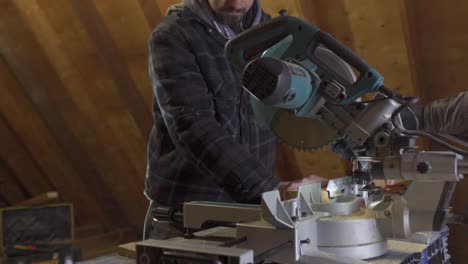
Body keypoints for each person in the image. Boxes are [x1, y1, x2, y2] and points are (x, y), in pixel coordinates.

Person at [144, 0, 325, 240]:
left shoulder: (278, 34)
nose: (235, 1)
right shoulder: (174, 36)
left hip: (250, 213)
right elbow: (193, 126)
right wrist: (272, 189)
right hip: (186, 220)